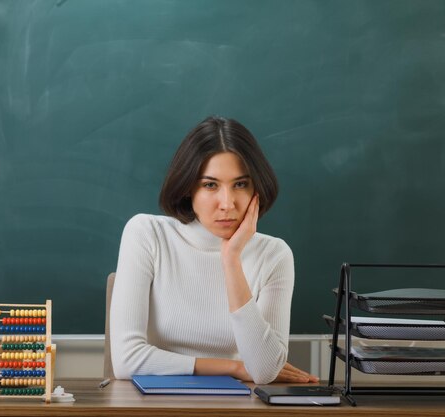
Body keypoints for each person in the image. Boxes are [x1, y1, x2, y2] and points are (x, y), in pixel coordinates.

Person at [110, 116, 318, 384]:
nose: (227, 203)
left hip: (233, 409)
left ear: (257, 188)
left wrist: (231, 260)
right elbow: (127, 361)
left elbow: (264, 371)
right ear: (188, 189)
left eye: (240, 184)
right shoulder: (147, 234)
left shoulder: (274, 255)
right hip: (152, 407)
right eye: (210, 185)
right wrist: (232, 367)